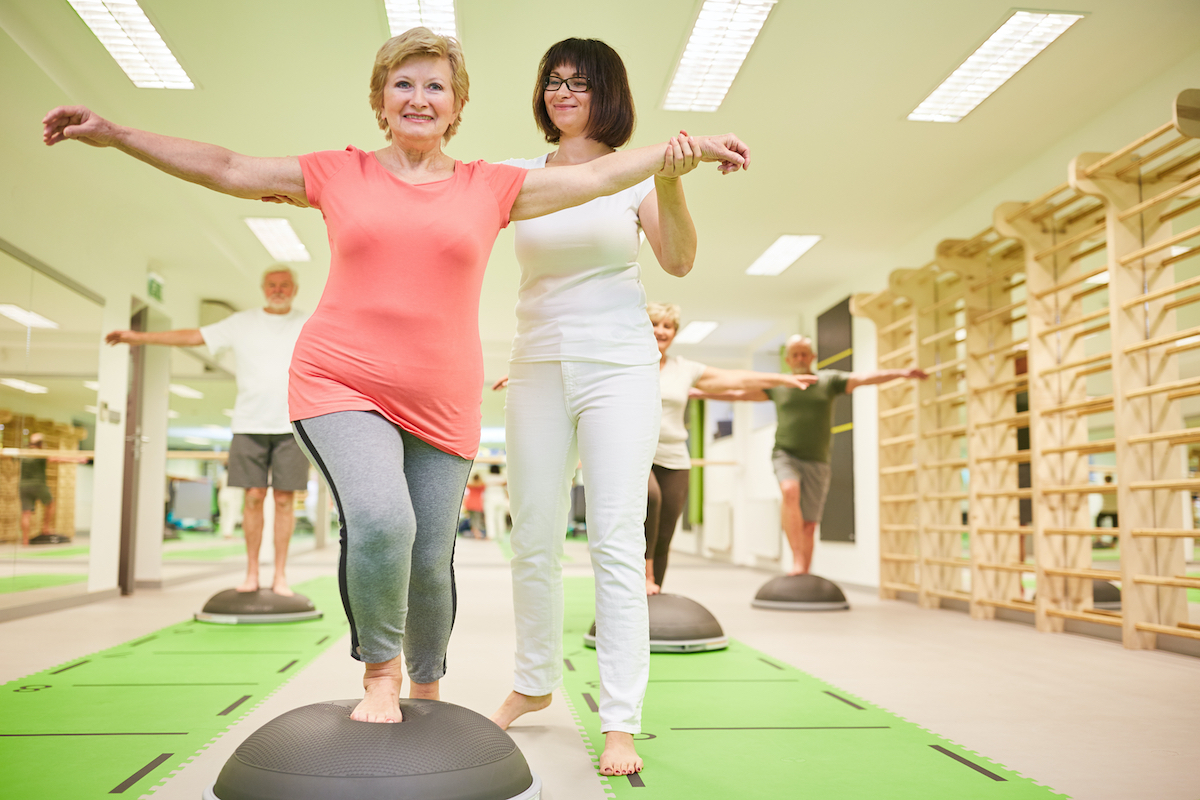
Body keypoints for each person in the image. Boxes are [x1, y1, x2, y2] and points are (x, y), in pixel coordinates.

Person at [44, 27, 748, 728]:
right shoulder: (339, 172)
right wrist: (116, 133)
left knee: (431, 553)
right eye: (403, 84)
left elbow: (597, 178)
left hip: (446, 399)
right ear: (380, 101)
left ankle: (428, 688)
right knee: (385, 521)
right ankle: (380, 674)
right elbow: (228, 166)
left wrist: (684, 150)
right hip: (340, 381)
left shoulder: (489, 185)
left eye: (434, 85)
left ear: (458, 104)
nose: (419, 97)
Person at [488, 38, 750, 777]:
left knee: (613, 538)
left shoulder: (632, 179)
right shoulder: (517, 175)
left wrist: (672, 175)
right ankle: (533, 683)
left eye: (579, 81)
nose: (562, 92)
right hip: (536, 362)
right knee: (532, 535)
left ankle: (622, 719)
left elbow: (679, 261)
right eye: (552, 80)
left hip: (621, 368)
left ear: (610, 93)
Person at [106, 267, 310, 596]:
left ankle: (281, 576)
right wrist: (139, 337)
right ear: (263, 288)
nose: (278, 290)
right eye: (272, 285)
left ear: (295, 289)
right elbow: (193, 336)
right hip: (248, 423)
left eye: (285, 285)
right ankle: (252, 573)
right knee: (253, 496)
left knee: (285, 500)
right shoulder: (242, 323)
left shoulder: (308, 322)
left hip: (293, 423)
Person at [699, 335, 926, 575]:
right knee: (789, 490)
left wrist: (902, 373)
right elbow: (737, 394)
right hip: (785, 453)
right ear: (787, 359)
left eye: (804, 353)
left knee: (809, 524)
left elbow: (863, 378)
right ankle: (797, 560)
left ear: (813, 357)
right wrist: (698, 393)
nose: (799, 358)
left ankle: (803, 572)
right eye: (794, 354)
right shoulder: (778, 386)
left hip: (817, 460)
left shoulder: (827, 381)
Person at [643, 303, 817, 595]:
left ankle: (653, 595)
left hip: (675, 457)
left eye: (668, 326)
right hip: (639, 454)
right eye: (655, 324)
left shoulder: (684, 368)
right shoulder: (627, 364)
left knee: (664, 533)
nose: (661, 331)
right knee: (651, 500)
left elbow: (734, 379)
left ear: (674, 332)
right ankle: (643, 580)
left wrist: (782, 378)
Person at [19, 433, 57, 544]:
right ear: (40, 444)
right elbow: (55, 459)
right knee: (50, 504)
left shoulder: (24, 454)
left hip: (23, 486)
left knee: (25, 513)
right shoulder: (41, 453)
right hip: (39, 485)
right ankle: (45, 528)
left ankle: (25, 541)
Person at [463, 473, 486, 539]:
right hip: (477, 505)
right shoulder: (481, 485)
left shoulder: (470, 485)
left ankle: (475, 533)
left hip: (469, 503)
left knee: (472, 519)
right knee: (477, 519)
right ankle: (477, 533)